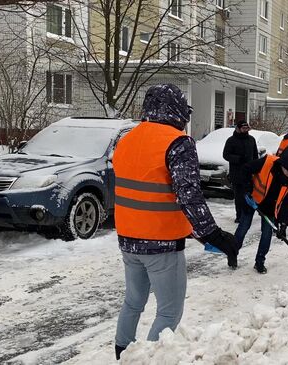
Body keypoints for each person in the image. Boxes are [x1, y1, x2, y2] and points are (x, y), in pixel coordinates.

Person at [113, 84, 239, 360]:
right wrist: (213, 235)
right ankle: (148, 359)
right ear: (176, 111)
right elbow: (189, 196)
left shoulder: (126, 139)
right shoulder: (177, 143)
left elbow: (146, 190)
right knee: (169, 311)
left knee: (133, 302)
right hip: (162, 245)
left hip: (127, 239)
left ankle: (122, 354)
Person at [235, 150, 288, 274]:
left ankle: (260, 261)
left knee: (267, 233)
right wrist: (247, 189)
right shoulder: (267, 162)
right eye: (287, 170)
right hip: (252, 198)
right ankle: (233, 253)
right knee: (244, 226)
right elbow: (245, 169)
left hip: (270, 206)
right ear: (282, 164)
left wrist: (283, 224)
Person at [223, 120, 258, 223]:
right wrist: (238, 158)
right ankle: (239, 216)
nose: (245, 130)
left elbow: (255, 155)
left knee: (249, 195)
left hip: (249, 173)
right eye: (243, 128)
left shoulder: (251, 139)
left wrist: (255, 167)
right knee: (239, 197)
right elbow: (226, 155)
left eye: (247, 128)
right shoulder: (231, 140)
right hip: (237, 174)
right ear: (238, 128)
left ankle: (247, 214)